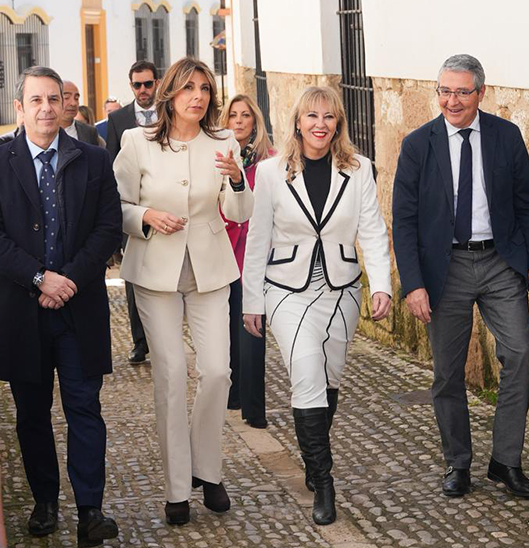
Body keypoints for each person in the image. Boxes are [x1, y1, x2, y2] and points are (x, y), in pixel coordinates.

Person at [0, 66, 122, 545]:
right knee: (31, 414)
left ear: (64, 105)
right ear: (19, 108)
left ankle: (90, 511)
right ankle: (43, 502)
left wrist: (69, 280)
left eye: (53, 99)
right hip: (24, 311)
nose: (46, 108)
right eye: (35, 100)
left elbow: (107, 228)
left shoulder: (94, 160)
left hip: (79, 310)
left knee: (84, 407)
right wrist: (39, 277)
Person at [391, 54, 529, 500]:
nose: (452, 100)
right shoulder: (418, 145)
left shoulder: (506, 137)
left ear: (481, 92)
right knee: (447, 373)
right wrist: (414, 282)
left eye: (462, 91)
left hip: (500, 262)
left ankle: (506, 461)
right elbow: (403, 220)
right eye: (444, 90)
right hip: (447, 268)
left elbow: (528, 205)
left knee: (520, 354)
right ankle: (457, 463)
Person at [242, 86, 392, 525]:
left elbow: (372, 230)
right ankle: (324, 483)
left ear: (338, 123)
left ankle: (313, 457)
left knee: (327, 379)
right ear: (297, 122)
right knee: (305, 373)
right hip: (287, 288)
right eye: (312, 116)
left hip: (342, 287)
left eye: (328, 117)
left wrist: (380, 284)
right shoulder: (271, 172)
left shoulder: (360, 169)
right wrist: (253, 300)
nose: (320, 125)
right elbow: (257, 240)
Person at [113, 57, 253, 526]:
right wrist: (146, 217)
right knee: (171, 376)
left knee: (217, 372)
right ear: (170, 93)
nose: (198, 96)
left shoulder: (224, 141)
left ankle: (206, 470)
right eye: (188, 88)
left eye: (205, 89)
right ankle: (177, 488)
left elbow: (238, 211)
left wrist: (235, 178)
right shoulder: (136, 143)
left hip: (211, 269)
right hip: (155, 273)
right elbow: (117, 206)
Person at [219, 94, 274, 429]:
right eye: (232, 115)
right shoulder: (213, 157)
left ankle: (255, 410)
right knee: (226, 332)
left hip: (254, 257)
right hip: (222, 252)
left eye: (245, 116)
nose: (238, 121)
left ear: (255, 121)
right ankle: (233, 393)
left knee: (253, 332)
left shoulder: (270, 161)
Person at [106, 60, 160, 365]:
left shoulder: (169, 111)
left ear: (156, 83)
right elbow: (113, 170)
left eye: (148, 84)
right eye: (137, 85)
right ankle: (140, 342)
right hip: (133, 211)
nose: (142, 90)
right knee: (134, 278)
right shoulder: (119, 120)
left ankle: (164, 337)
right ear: (131, 87)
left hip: (166, 206)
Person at [59, 80, 100, 146]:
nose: (73, 103)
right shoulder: (43, 130)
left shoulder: (89, 132)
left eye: (76, 98)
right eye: (66, 98)